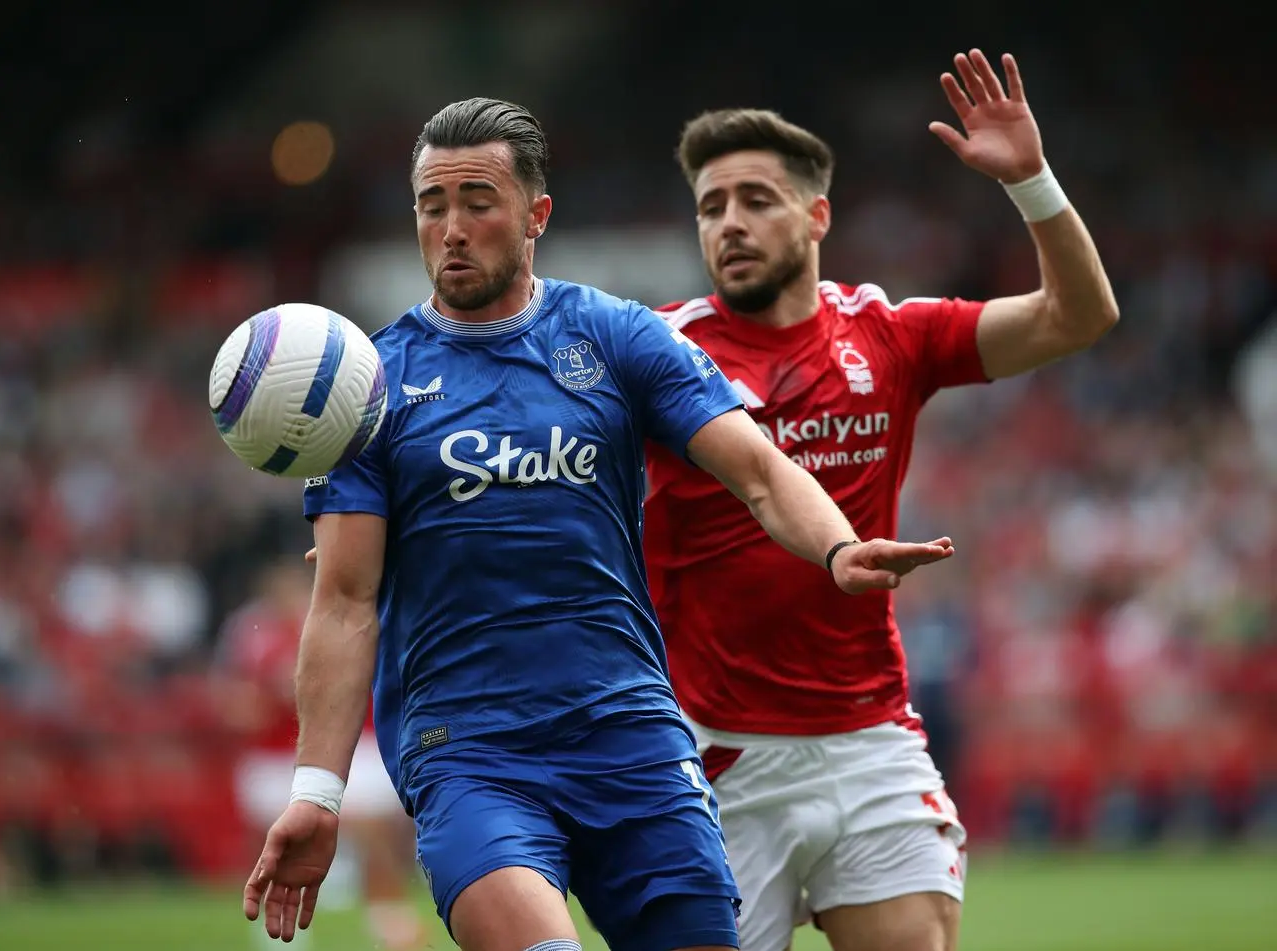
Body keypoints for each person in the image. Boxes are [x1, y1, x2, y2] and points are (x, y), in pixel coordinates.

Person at [240, 96, 956, 951]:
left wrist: (838, 547)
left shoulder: (616, 337)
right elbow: (346, 598)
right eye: (434, 205)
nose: (453, 227)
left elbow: (761, 472)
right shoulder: (371, 387)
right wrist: (318, 792)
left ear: (536, 214)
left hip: (633, 737)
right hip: (469, 752)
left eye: (479, 201)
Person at [644, 50, 1119, 951]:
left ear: (817, 214)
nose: (729, 224)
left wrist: (1032, 184)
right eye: (711, 207)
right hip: (715, 755)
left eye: (755, 200)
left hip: (871, 741)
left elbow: (1079, 317)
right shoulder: (660, 351)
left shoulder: (888, 333)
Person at [218, 559, 429, 951]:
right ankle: (278, 936)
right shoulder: (252, 636)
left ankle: (391, 922)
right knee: (276, 849)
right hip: (276, 757)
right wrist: (269, 697)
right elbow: (235, 703)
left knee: (372, 832)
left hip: (348, 748)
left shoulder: (342, 622)